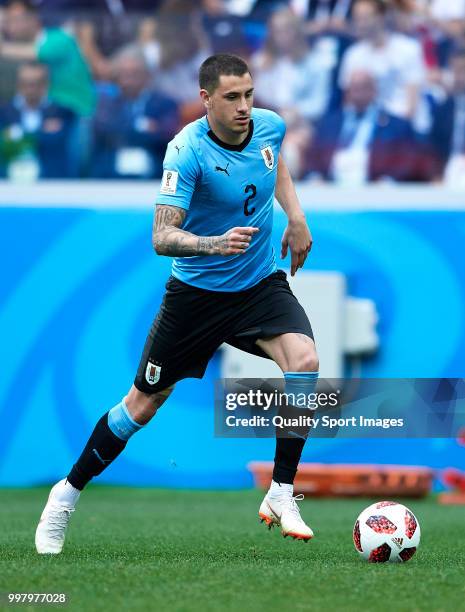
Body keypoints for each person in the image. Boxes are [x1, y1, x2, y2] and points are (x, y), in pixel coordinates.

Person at [35, 53, 319, 554]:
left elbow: (277, 169)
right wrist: (214, 243)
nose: (244, 107)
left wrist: (295, 217)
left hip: (257, 287)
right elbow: (161, 236)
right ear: (206, 99)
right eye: (232, 97)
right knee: (141, 406)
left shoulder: (270, 126)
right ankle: (66, 494)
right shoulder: (185, 151)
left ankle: (281, 491)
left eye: (249, 94)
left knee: (305, 362)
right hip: (197, 297)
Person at [306, 70, 417, 183]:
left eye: (363, 87)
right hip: (332, 187)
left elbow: (406, 160)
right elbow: (314, 156)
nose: (357, 93)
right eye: (353, 88)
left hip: (375, 189)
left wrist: (388, 181)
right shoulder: (329, 123)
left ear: (374, 90)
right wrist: (315, 177)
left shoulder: (396, 126)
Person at [91, 46, 179, 179]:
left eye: (134, 74)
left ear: (147, 75)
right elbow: (103, 130)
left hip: (154, 173)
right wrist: (141, 127)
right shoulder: (107, 104)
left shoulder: (165, 104)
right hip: (112, 174)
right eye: (123, 74)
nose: (128, 80)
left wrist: (123, 130)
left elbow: (166, 135)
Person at [0, 61, 75, 178]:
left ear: (46, 84)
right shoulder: (4, 113)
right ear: (18, 84)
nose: (30, 89)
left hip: (51, 183)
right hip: (9, 185)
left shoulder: (63, 113)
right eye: (25, 83)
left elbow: (59, 143)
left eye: (35, 84)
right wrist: (41, 132)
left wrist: (17, 134)